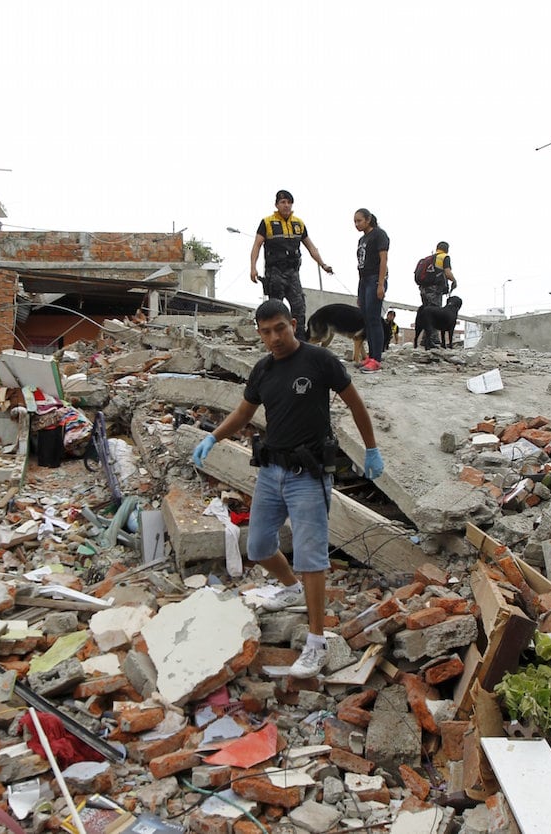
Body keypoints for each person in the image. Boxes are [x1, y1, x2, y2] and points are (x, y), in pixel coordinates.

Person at [192, 299, 384, 679]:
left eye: (280, 328)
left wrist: (371, 449)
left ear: (293, 324)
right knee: (259, 546)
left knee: (311, 557)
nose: (274, 338)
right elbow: (245, 413)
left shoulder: (319, 361)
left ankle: (316, 643)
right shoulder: (263, 370)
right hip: (270, 472)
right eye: (265, 332)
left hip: (308, 475)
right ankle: (290, 588)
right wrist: (212, 437)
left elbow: (356, 404)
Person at [250, 190, 334, 339]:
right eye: (283, 202)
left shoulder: (298, 223)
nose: (286, 205)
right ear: (276, 205)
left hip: (293, 272)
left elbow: (310, 246)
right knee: (275, 309)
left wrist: (323, 264)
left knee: (299, 308)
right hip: (275, 272)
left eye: (289, 202)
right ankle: (276, 340)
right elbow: (256, 245)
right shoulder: (267, 222)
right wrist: (253, 267)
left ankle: (300, 341)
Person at [354, 209, 389, 373]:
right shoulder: (362, 239)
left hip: (375, 279)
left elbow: (384, 259)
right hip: (364, 281)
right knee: (366, 319)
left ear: (368, 220)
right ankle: (370, 356)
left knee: (374, 319)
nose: (356, 224)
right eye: (355, 221)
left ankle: (377, 359)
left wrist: (380, 284)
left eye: (359, 221)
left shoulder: (379, 235)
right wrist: (359, 290)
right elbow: (361, 265)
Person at [415, 241, 457, 308]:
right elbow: (447, 272)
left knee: (425, 311)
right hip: (435, 290)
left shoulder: (428, 258)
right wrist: (454, 281)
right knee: (434, 311)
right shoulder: (444, 257)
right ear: (447, 249)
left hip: (423, 289)